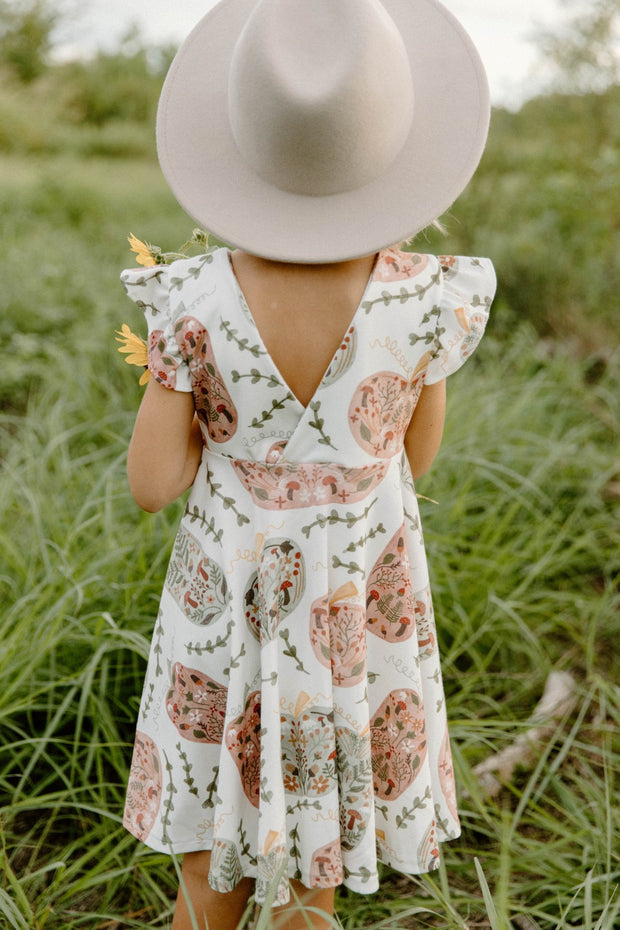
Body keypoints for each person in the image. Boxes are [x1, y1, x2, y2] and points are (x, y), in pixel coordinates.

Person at [119, 0, 497, 927]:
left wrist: (189, 375)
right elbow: (416, 458)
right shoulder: (425, 301)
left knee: (206, 884)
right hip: (357, 612)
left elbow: (153, 485)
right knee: (312, 880)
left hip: (228, 610)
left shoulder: (194, 298)